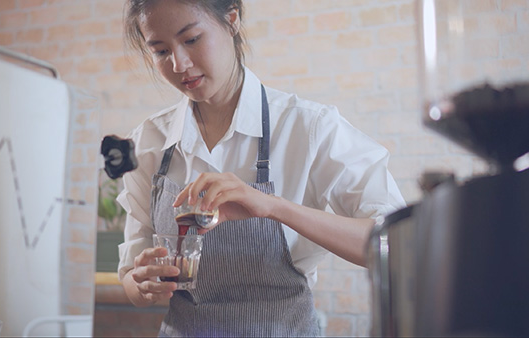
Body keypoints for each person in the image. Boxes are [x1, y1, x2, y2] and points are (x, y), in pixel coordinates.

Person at [117, 0, 406, 336]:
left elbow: (397, 244)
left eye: (192, 39)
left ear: (232, 19)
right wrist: (141, 284)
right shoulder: (149, 142)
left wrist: (274, 207)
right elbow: (131, 276)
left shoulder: (309, 127)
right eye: (161, 50)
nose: (179, 63)